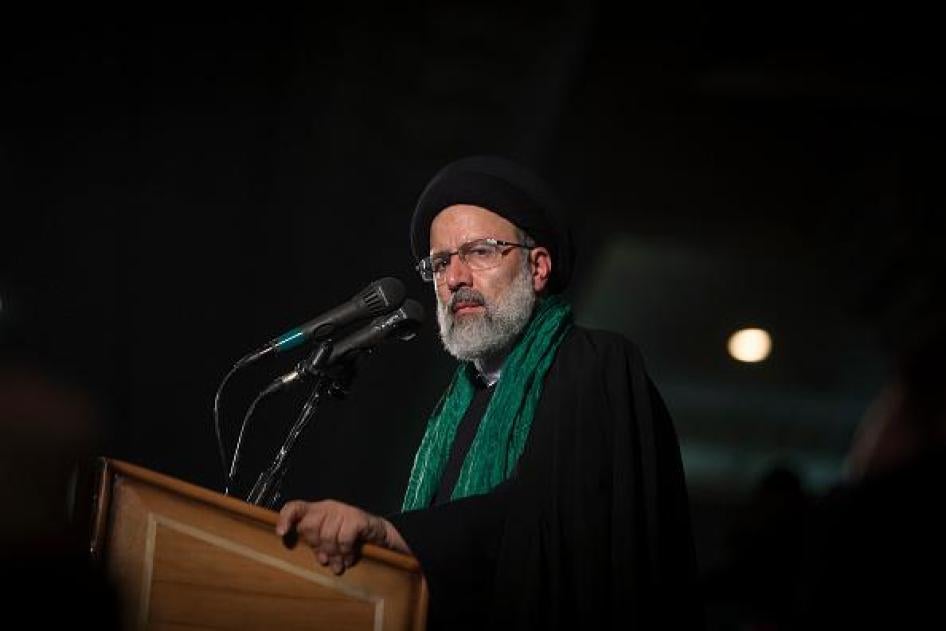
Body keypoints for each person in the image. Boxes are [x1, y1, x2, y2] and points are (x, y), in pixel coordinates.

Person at [275, 156, 702, 629]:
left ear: (538, 268)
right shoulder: (456, 409)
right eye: (440, 263)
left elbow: (546, 516)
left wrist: (395, 533)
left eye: (479, 251)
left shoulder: (595, 364)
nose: (455, 278)